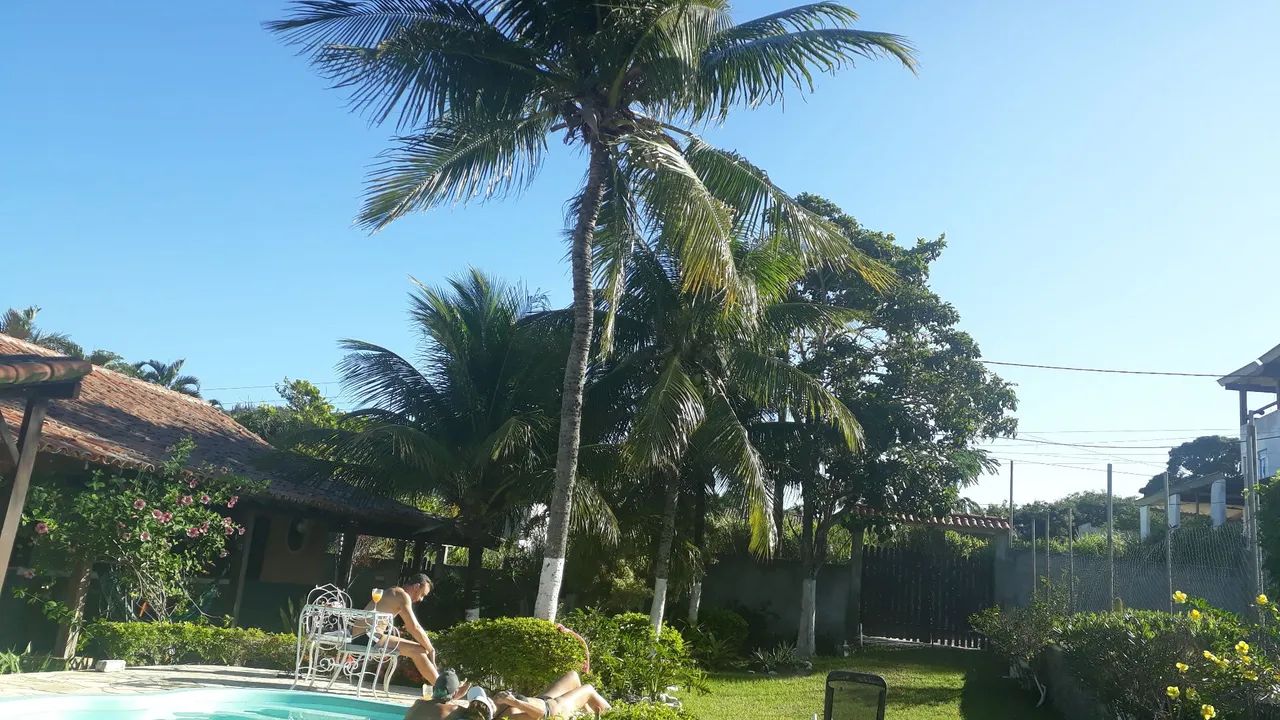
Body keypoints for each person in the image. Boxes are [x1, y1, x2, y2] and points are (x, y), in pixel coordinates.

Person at [355, 572, 438, 684]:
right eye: (422, 594)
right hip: (366, 638)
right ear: (416, 587)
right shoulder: (402, 596)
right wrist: (431, 649)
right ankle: (442, 688)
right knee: (418, 650)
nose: (421, 599)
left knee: (419, 650)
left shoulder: (393, 591)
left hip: (360, 636)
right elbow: (414, 627)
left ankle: (442, 686)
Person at [491, 671, 611, 719]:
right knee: (588, 689)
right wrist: (514, 702)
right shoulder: (509, 717)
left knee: (573, 676)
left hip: (544, 699)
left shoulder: (490, 706)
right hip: (554, 709)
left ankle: (583, 713)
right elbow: (540, 715)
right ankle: (617, 714)